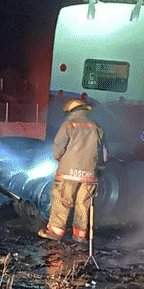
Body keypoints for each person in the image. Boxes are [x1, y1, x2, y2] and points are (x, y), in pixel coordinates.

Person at [39, 98, 106, 243]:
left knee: (62, 200)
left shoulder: (69, 124)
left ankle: (55, 232)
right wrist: (100, 168)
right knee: (83, 204)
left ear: (70, 111)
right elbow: (103, 152)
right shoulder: (96, 127)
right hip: (89, 175)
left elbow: (58, 145)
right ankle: (80, 235)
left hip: (68, 173)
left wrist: (58, 158)